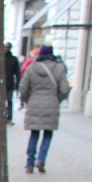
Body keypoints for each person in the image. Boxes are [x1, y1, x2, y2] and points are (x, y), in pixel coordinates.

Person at [18, 44, 70, 173]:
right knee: (48, 134)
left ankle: (29, 164)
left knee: (34, 134)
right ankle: (41, 159)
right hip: (51, 103)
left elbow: (23, 88)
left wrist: (27, 100)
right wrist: (56, 99)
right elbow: (65, 89)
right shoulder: (60, 68)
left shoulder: (31, 68)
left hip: (34, 103)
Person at [4, 42, 20, 125]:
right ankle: (3, 116)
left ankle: (9, 117)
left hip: (9, 83)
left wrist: (17, 84)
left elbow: (17, 72)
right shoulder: (0, 58)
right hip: (1, 84)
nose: (6, 49)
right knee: (4, 101)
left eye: (7, 47)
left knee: (9, 100)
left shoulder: (13, 59)